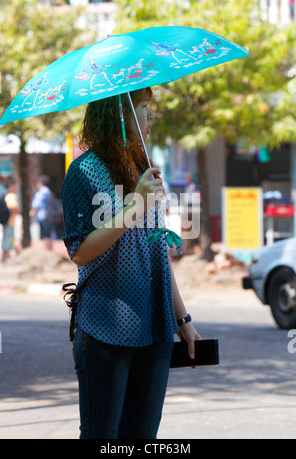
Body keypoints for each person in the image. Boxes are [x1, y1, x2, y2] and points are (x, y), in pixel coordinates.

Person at [61, 87, 201, 440]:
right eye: (144, 109)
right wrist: (134, 205)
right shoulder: (84, 172)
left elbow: (157, 254)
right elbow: (80, 251)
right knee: (102, 436)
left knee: (143, 436)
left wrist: (182, 319)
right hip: (105, 326)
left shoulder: (145, 172)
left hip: (155, 324)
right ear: (120, 116)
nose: (152, 118)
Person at [30, 175, 52, 250]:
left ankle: (46, 250)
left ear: (40, 183)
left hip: (42, 216)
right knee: (48, 233)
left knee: (44, 234)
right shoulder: (49, 192)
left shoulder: (40, 192)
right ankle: (49, 249)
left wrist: (32, 212)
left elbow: (36, 204)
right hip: (49, 215)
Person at [1, 178, 19, 261]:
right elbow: (12, 207)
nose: (16, 187)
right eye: (15, 185)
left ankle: (6, 256)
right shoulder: (11, 195)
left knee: (9, 238)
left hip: (6, 220)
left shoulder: (6, 194)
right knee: (8, 238)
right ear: (11, 186)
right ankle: (6, 257)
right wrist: (20, 211)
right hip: (10, 221)